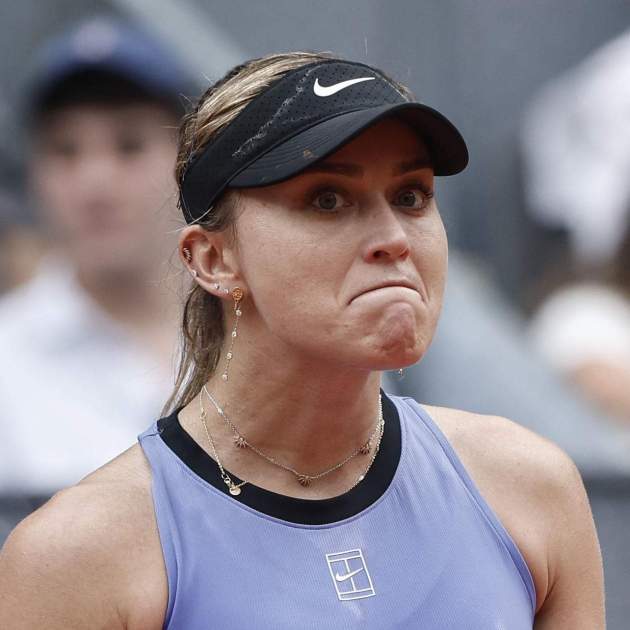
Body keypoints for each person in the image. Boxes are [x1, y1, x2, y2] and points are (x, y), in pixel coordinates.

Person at [0, 52, 604, 629]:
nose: (394, 238)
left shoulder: (530, 488)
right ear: (212, 259)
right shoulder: (77, 556)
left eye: (411, 195)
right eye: (328, 199)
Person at [0, 17, 195, 517]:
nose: (95, 182)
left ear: (188, 161)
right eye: (65, 150)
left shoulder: (273, 342)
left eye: (130, 145)